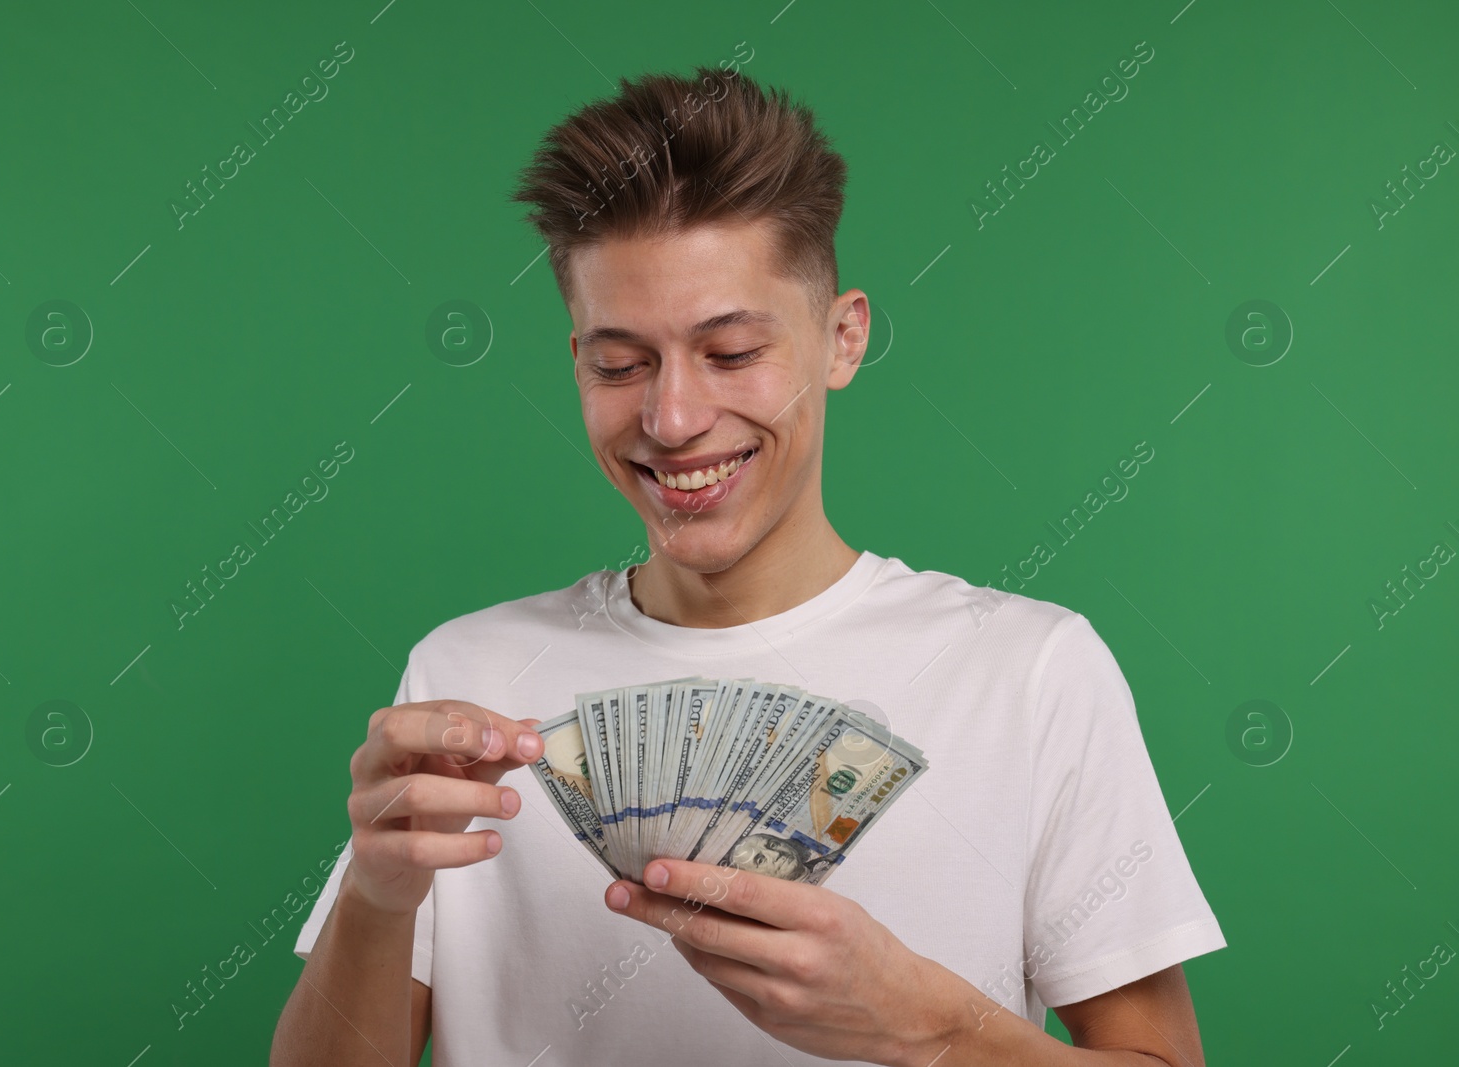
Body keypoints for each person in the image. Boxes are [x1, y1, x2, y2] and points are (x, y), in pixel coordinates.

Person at [271, 63, 1225, 1067]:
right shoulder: (468, 676)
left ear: (841, 338)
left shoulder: (1030, 670)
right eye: (619, 361)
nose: (671, 419)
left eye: (729, 352)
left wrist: (931, 1026)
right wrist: (377, 900)